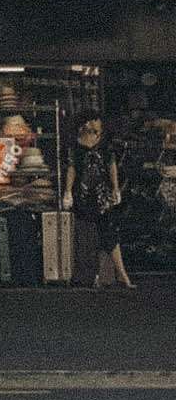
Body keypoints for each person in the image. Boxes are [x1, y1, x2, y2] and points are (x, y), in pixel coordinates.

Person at [65, 114, 132, 289]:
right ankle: (88, 275)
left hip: (102, 194)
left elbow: (112, 166)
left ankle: (121, 274)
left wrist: (116, 188)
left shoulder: (104, 143)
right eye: (92, 121)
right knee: (85, 234)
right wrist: (68, 191)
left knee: (109, 232)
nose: (94, 124)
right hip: (84, 193)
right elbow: (72, 168)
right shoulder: (76, 144)